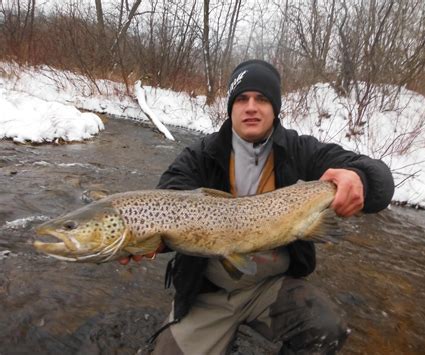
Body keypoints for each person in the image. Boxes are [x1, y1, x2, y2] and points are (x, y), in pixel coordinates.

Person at [121, 59, 394, 354]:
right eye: (242, 99)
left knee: (327, 327)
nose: (251, 106)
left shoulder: (301, 151)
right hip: (208, 292)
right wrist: (150, 240)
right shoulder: (199, 155)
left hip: (271, 288)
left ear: (275, 107)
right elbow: (168, 198)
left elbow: (381, 182)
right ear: (231, 108)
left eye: (262, 98)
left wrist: (360, 179)